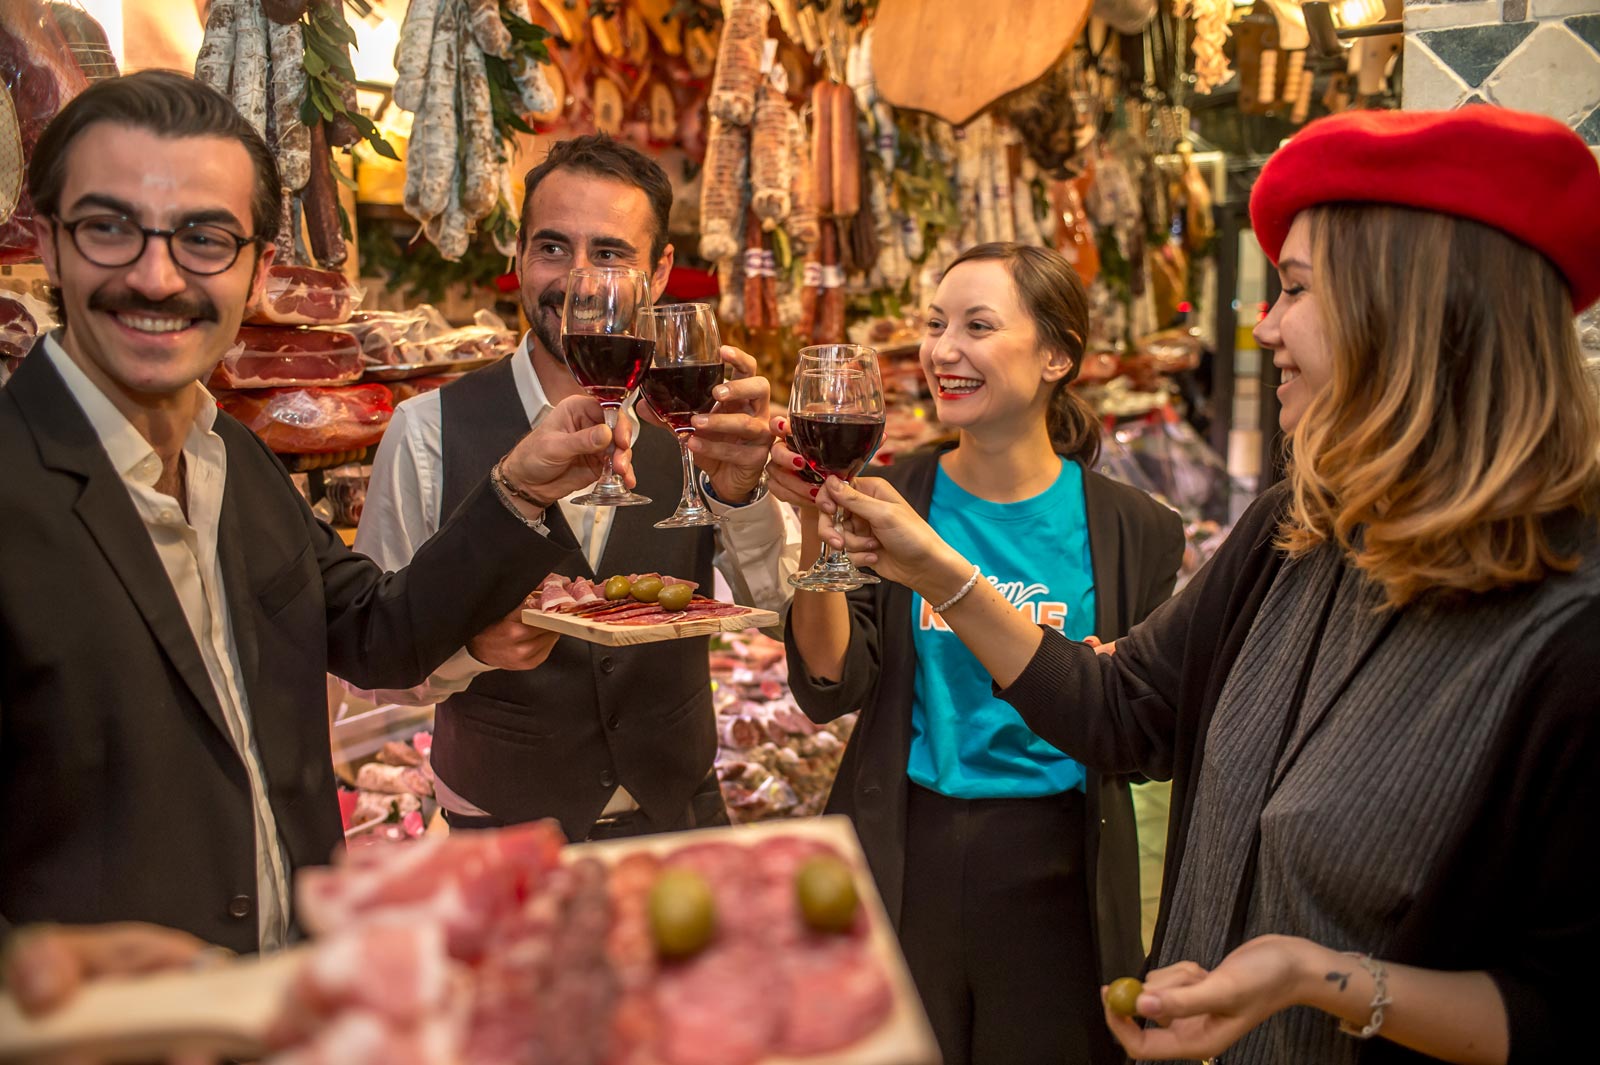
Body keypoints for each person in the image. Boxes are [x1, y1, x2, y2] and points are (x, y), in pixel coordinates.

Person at [811, 108, 1600, 1064]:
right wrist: (932, 562)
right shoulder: (1293, 533)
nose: (1262, 326)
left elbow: (1561, 1006)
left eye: (1295, 290)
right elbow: (1123, 706)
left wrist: (1318, 978)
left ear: (1413, 315)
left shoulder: (1569, 637)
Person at [0, 71, 632, 957]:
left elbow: (380, 631)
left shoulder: (237, 462)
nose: (157, 274)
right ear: (49, 245)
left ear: (259, 268)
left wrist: (519, 489)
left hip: (289, 1000)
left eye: (205, 237)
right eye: (109, 228)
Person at [770, 243, 1185, 1065]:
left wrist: (1114, 667)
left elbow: (1147, 734)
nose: (941, 350)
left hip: (1058, 868)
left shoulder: (1135, 529)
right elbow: (830, 680)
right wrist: (821, 520)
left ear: (1058, 356)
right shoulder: (895, 496)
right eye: (935, 325)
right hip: (908, 851)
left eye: (978, 326)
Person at [354, 134, 800, 842]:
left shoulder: (696, 419)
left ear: (658, 274)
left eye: (611, 254)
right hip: (502, 838)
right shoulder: (426, 430)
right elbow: (372, 669)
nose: (579, 281)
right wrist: (472, 650)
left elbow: (772, 607)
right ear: (520, 257)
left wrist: (743, 495)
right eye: (553, 248)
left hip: (680, 823)